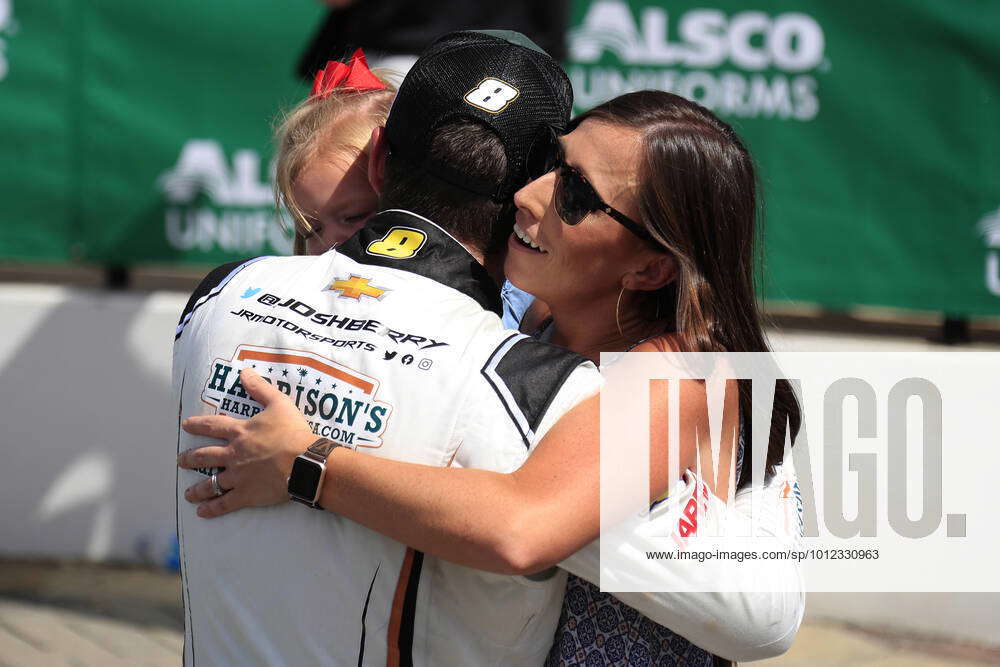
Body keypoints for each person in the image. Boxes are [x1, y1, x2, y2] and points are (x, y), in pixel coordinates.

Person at [178, 85, 805, 665]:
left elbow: (519, 528)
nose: (529, 196)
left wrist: (305, 464)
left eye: (578, 196)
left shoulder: (672, 375)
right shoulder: (530, 326)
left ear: (648, 270)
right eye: (550, 164)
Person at [173, 30, 608, 665]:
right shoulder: (547, 384)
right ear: (536, 192)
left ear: (380, 163)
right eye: (310, 224)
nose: (325, 240)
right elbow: (761, 617)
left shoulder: (217, 296)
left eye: (347, 216)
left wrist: (307, 463)